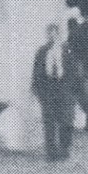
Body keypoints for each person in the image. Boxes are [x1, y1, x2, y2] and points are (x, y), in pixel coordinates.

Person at [31, 22, 76, 161]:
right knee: (49, 122)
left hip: (64, 89)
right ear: (47, 35)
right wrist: (39, 92)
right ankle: (51, 153)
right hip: (48, 89)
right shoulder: (42, 51)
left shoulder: (67, 49)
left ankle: (64, 150)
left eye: (55, 34)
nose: (52, 36)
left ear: (59, 35)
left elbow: (74, 71)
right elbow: (36, 73)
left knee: (65, 121)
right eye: (50, 34)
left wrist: (72, 91)